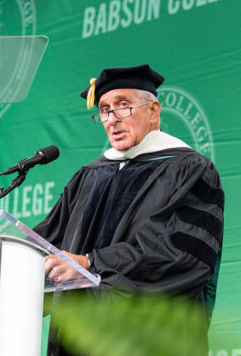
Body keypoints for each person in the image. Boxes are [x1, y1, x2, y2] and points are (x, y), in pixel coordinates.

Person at [33, 64, 224, 355]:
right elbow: (48, 245)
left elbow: (183, 256)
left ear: (153, 111)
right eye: (105, 110)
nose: (111, 120)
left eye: (123, 106)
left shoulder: (189, 170)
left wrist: (91, 263)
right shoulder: (89, 176)